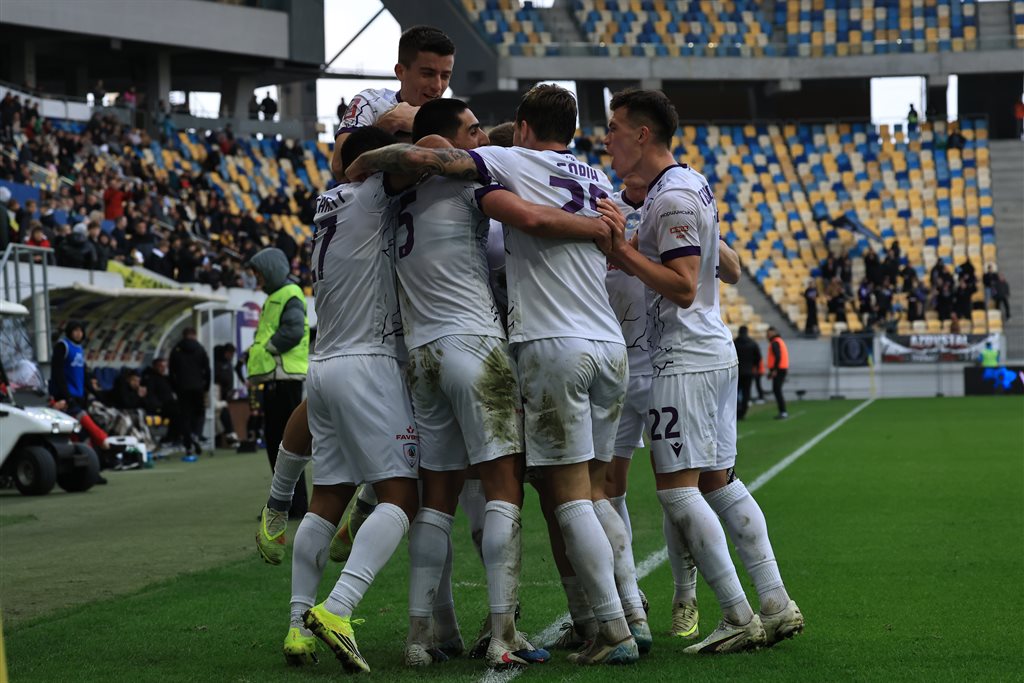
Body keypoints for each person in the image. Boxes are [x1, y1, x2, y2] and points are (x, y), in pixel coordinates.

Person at [348, 84, 645, 666]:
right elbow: (524, 212)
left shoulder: (397, 195)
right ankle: (577, 625)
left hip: (428, 351)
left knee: (441, 500)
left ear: (525, 128)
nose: (483, 138)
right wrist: (593, 229)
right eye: (473, 130)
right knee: (576, 493)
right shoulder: (588, 177)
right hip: (541, 344)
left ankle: (422, 636)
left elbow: (425, 162)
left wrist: (364, 160)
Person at [283, 128, 420, 674]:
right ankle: (338, 609)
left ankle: (298, 626)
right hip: (368, 361)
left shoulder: (328, 202)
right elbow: (415, 157)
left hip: (324, 365)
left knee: (328, 498)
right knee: (401, 496)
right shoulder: (371, 192)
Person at [330, 25, 455, 180]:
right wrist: (389, 124)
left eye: (445, 76)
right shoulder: (369, 102)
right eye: (428, 74)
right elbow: (340, 167)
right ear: (400, 71)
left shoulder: (455, 117)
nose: (437, 86)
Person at [247, 247, 310, 521]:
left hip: (284, 378)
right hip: (278, 379)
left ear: (270, 270)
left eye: (259, 273)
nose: (257, 279)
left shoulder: (288, 294)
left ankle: (290, 504)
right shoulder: (279, 295)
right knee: (280, 444)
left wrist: (268, 349)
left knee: (286, 445)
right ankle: (287, 504)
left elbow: (293, 332)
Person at [49, 320, 109, 483]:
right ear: (69, 331)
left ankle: (89, 472)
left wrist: (96, 393)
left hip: (78, 397)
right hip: (65, 398)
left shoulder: (79, 349)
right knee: (84, 429)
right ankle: (103, 442)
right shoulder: (63, 347)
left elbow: (83, 375)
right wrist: (66, 396)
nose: (78, 333)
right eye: (75, 330)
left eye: (81, 330)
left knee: (77, 437)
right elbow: (58, 374)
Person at [168, 327, 210, 456]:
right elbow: (207, 369)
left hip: (182, 388)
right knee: (200, 413)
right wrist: (206, 387)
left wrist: (175, 388)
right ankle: (196, 434)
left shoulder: (176, 349)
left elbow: (171, 371)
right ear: (194, 335)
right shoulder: (200, 349)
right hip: (198, 387)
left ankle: (188, 445)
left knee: (185, 416)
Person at [734, 326, 762, 421]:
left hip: (737, 371)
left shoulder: (734, 343)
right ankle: (743, 412)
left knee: (735, 393)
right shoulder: (752, 343)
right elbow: (758, 357)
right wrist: (754, 366)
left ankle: (736, 411)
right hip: (749, 372)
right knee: (746, 393)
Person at [766, 327, 789, 419]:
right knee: (777, 390)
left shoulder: (775, 342)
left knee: (777, 390)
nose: (767, 335)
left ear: (773, 333)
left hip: (779, 369)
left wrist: (774, 370)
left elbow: (778, 356)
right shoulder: (779, 341)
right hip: (781, 368)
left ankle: (783, 411)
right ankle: (782, 411)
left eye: (768, 333)